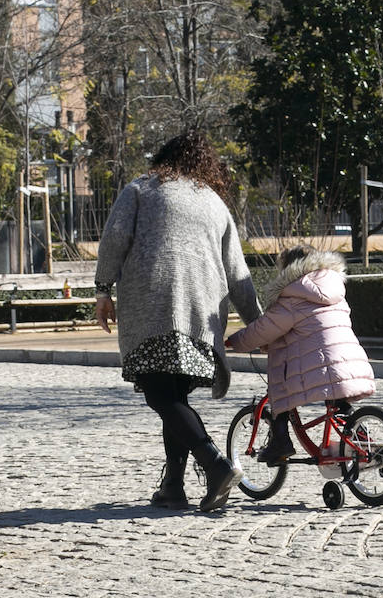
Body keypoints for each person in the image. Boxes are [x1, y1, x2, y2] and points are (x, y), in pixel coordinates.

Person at [94, 130, 262, 512]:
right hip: (202, 316)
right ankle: (173, 487)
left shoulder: (141, 188)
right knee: (176, 396)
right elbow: (238, 272)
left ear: (164, 157)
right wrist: (258, 323)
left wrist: (103, 289)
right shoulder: (215, 202)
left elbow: (114, 238)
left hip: (152, 309)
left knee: (160, 395)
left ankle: (216, 465)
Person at [226, 244, 375, 465]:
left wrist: (233, 341)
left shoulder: (292, 296)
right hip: (349, 359)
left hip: (320, 363)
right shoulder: (335, 290)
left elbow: (263, 329)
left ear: (289, 269)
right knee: (340, 406)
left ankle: (281, 443)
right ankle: (364, 439)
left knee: (280, 389)